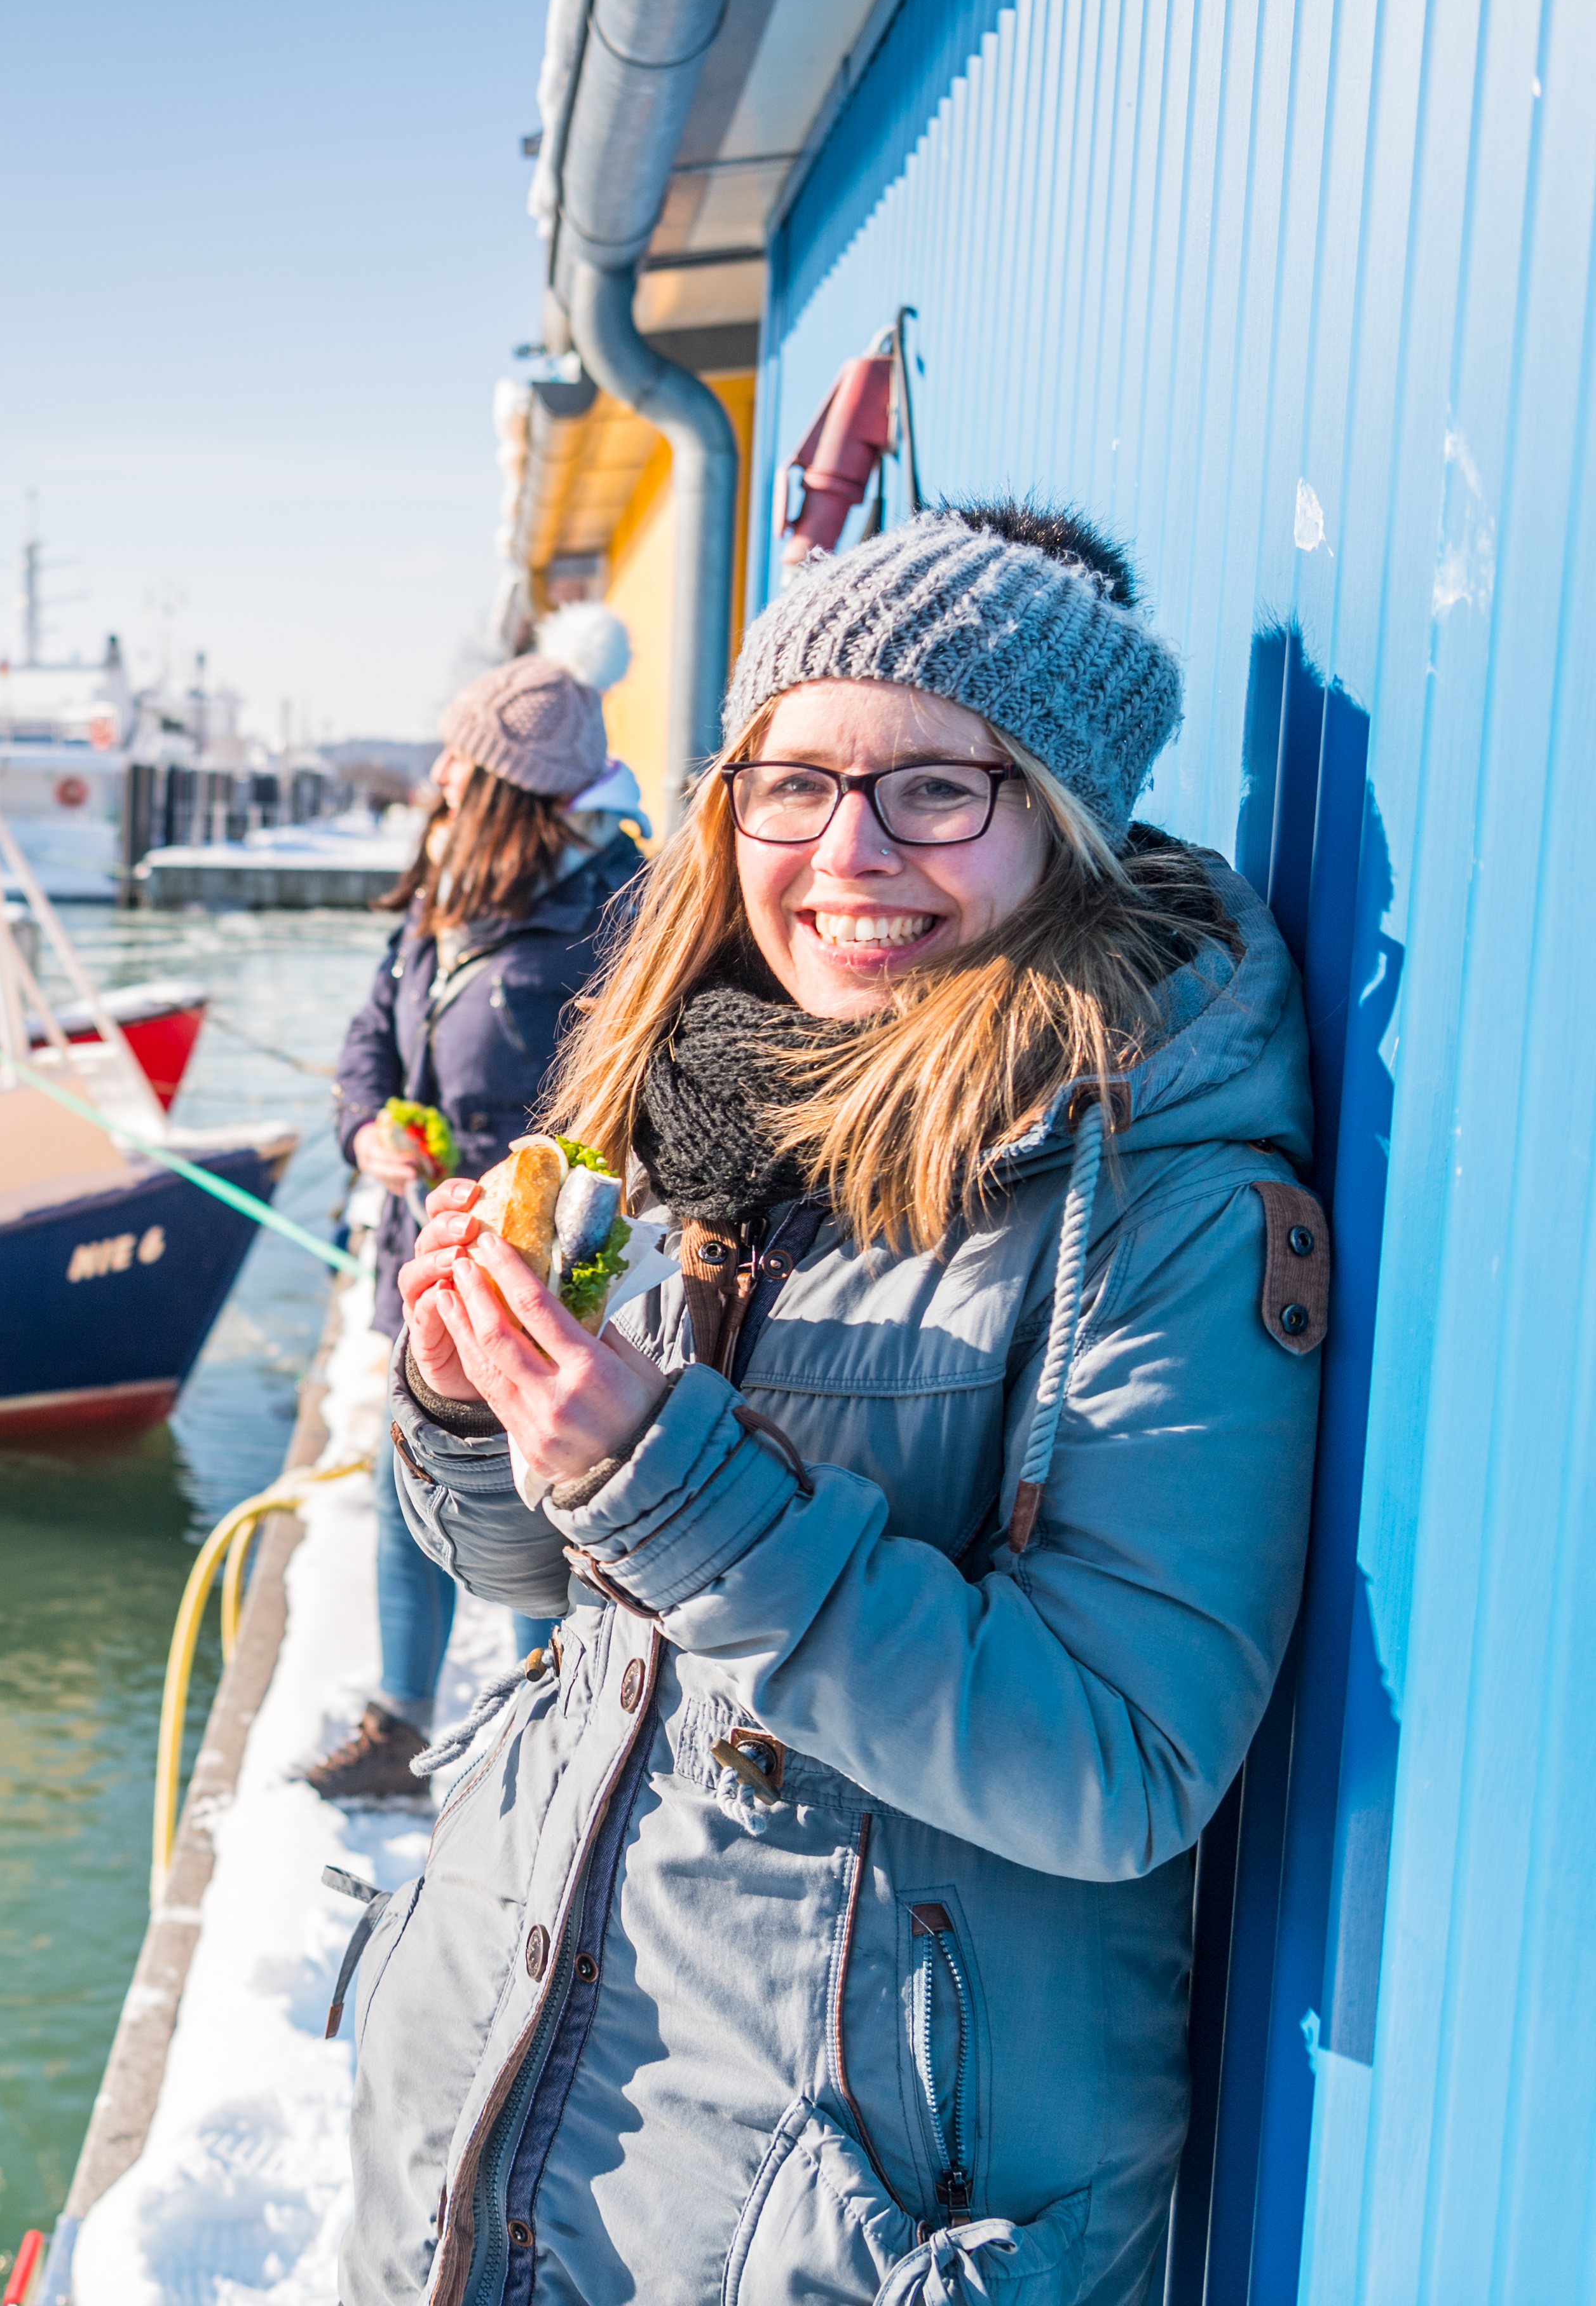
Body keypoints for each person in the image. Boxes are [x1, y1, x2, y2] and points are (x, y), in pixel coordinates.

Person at [339, 504, 1326, 2305]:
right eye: (792, 784)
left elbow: (1122, 1760)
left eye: (936, 789)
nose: (848, 851)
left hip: (825, 2226)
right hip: (496, 2128)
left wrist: (659, 1477)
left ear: (1060, 819)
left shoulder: (1164, 1193)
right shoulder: (703, 1098)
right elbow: (541, 1588)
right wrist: (475, 1401)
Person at [303, 653, 638, 1805]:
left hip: (550, 1286)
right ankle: (402, 1726)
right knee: (415, 1484)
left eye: (458, 757)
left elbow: (634, 1104)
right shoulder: (444, 903)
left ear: (501, 782)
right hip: (424, 1256)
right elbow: (366, 1045)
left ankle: (548, 1743)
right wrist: (367, 1135)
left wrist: (527, 1197)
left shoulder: (616, 908)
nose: (435, 776)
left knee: (537, 1523)